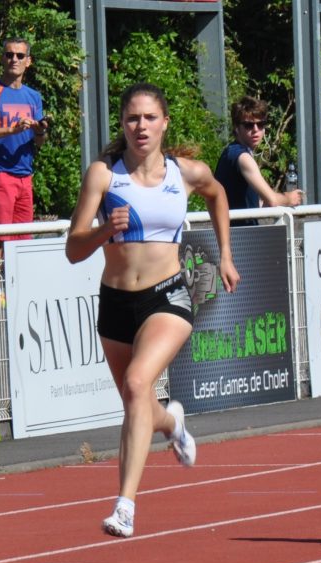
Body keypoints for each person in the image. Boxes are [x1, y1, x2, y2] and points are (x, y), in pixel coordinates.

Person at [65, 83, 239, 538]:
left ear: (164, 123)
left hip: (167, 295)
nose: (140, 127)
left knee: (139, 382)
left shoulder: (186, 173)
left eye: (148, 118)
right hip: (116, 300)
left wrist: (225, 254)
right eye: (132, 119)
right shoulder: (104, 175)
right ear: (122, 126)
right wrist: (105, 233)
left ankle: (125, 505)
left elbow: (218, 195)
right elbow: (72, 248)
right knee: (134, 399)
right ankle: (172, 421)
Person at [0, 37, 49, 267]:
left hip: (25, 176)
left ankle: (18, 293)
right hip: (0, 174)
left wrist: (40, 131)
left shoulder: (34, 96)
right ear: (2, 58)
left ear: (28, 61)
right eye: (9, 55)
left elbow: (41, 143)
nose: (13, 59)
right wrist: (11, 129)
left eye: (19, 55)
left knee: (22, 240)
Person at [213, 96, 302, 226]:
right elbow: (272, 200)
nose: (256, 130)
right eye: (249, 125)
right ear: (237, 128)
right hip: (241, 236)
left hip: (236, 233)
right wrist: (288, 198)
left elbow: (243, 203)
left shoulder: (231, 152)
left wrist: (263, 203)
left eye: (260, 124)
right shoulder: (243, 157)